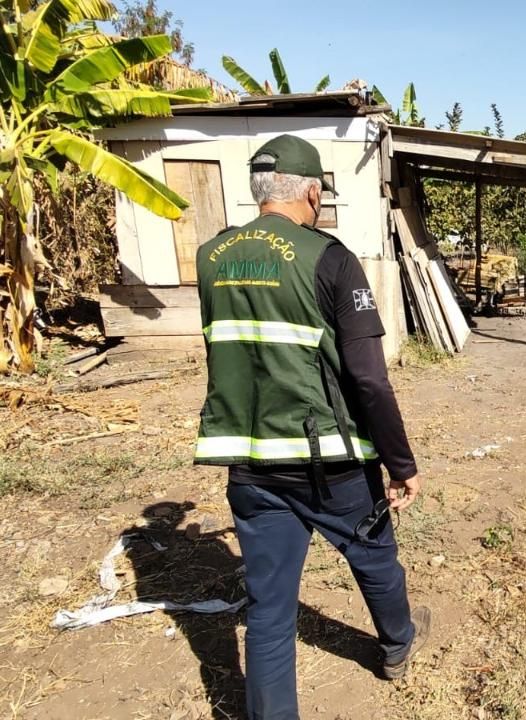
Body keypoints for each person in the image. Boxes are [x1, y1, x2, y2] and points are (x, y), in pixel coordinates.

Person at [194, 134, 431, 719]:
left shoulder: (212, 256)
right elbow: (369, 379)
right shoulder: (330, 258)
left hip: (250, 463)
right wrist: (401, 465)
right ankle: (398, 644)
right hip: (327, 459)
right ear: (311, 191)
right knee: (374, 554)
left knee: (269, 612)